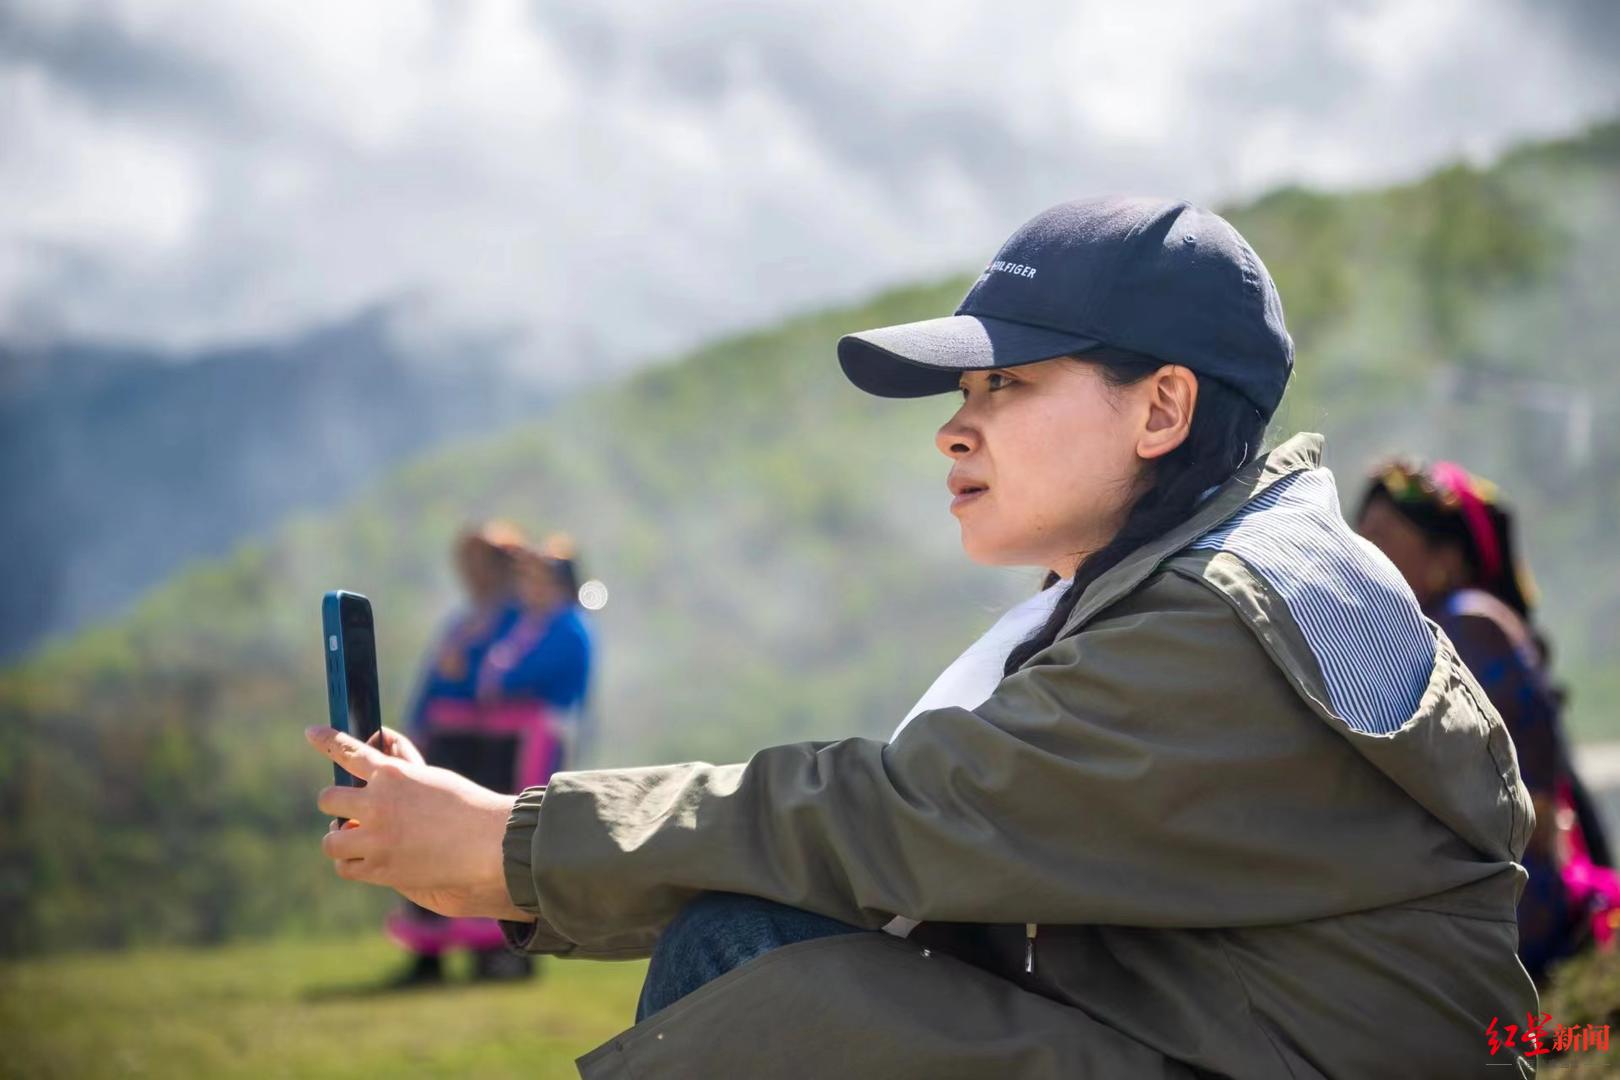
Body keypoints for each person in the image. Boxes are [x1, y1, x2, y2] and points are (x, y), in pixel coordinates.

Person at [309, 198, 1539, 1076]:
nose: (956, 429)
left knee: (762, 973)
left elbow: (891, 824)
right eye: (962, 393)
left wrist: (512, 846)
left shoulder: (1213, 627)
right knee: (777, 945)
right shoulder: (1232, 571)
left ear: (1161, 407)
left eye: (1006, 382)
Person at [1357, 458, 1618, 983]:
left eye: (1382, 538)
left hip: (1512, 907)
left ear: (1445, 558)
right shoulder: (1449, 625)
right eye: (1360, 537)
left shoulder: (1467, 624)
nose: (1363, 554)